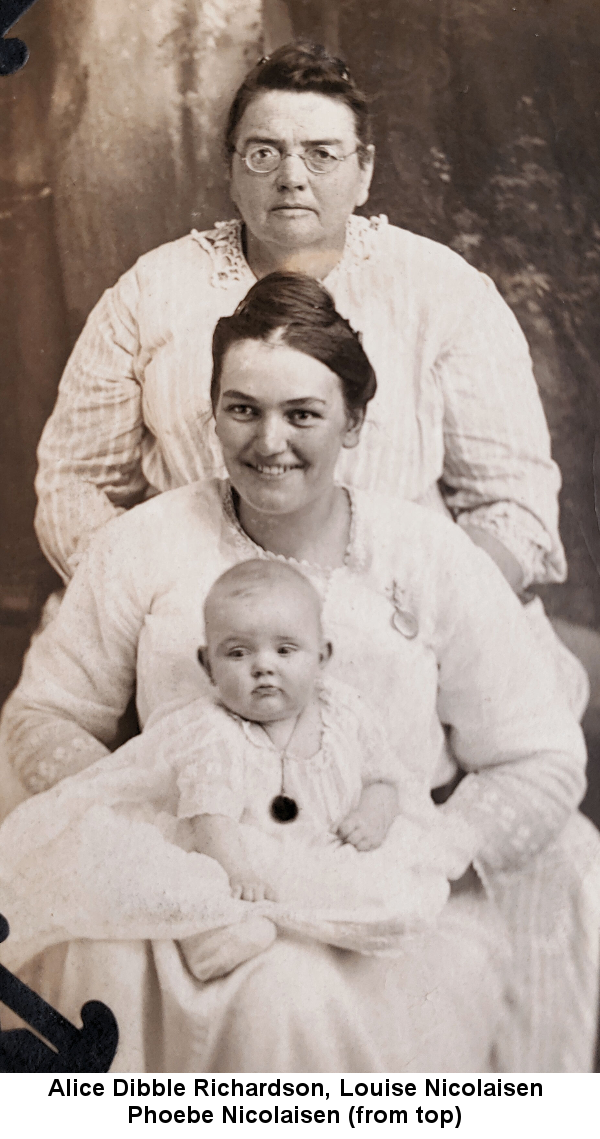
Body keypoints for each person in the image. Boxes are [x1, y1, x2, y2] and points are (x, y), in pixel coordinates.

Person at [1, 273, 597, 1072]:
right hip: (181, 884)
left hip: (363, 897)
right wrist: (140, 829)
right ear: (213, 413)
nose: (269, 440)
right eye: (242, 409)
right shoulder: (145, 544)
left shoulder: (424, 554)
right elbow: (46, 715)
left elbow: (538, 756)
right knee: (96, 969)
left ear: (353, 421)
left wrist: (429, 850)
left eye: (303, 414)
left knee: (290, 997)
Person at [25, 42, 586, 702]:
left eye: (322, 153)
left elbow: (511, 502)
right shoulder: (152, 292)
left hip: (399, 617)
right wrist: (156, 603)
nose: (292, 176)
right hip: (199, 623)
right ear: (232, 171)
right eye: (264, 152)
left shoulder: (440, 290)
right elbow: (75, 484)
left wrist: (417, 616)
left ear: (365, 170)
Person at [160, 559, 402, 979]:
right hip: (237, 857)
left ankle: (340, 938)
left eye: (286, 649)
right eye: (237, 653)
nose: (263, 666)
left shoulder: (345, 711)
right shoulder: (213, 731)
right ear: (207, 665)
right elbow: (210, 815)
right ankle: (211, 942)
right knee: (197, 884)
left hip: (325, 854)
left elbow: (382, 776)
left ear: (322, 656)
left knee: (384, 892)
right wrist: (237, 872)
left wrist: (373, 816)